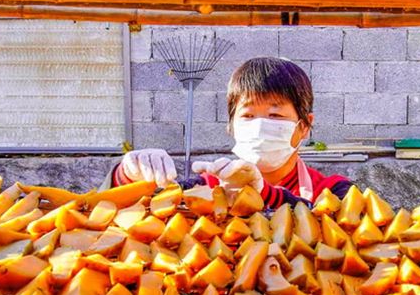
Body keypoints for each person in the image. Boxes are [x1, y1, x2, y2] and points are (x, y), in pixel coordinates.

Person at [112, 56, 353, 207]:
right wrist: (127, 176)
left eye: (275, 116)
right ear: (231, 126)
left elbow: (338, 226)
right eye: (248, 116)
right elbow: (141, 210)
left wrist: (264, 193)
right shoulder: (205, 188)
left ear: (304, 126)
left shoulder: (334, 191)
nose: (259, 126)